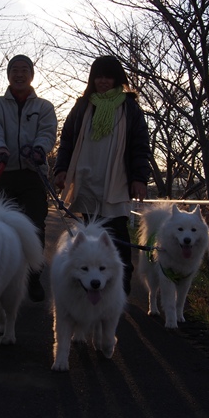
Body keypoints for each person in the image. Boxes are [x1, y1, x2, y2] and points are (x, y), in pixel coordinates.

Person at [53, 55, 151, 295]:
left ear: (118, 79)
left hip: (116, 178)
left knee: (117, 233)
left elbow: (140, 145)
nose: (103, 81)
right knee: (90, 234)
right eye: (99, 76)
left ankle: (121, 289)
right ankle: (91, 286)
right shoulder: (83, 105)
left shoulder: (129, 107)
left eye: (108, 76)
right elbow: (66, 141)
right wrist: (61, 169)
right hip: (87, 178)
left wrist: (139, 178)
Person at [0, 54, 58, 302]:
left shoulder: (44, 106)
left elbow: (48, 133)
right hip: (2, 173)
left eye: (24, 69)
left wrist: (39, 150)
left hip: (33, 174)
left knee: (35, 225)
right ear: (8, 75)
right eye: (14, 69)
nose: (19, 74)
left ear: (32, 75)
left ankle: (34, 278)